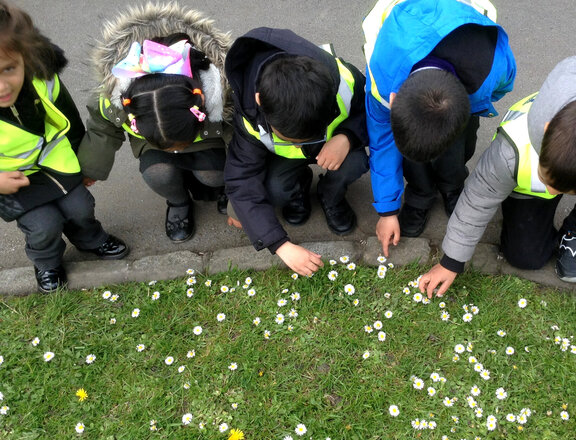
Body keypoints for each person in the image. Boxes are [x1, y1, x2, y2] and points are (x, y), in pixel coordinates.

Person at [419, 54, 576, 297]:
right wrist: (451, 261)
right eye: (548, 181)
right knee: (525, 257)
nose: (549, 193)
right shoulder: (511, 150)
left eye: (564, 191)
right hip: (522, 182)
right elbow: (477, 199)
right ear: (546, 132)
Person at [363, 0, 516, 257]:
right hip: (403, 31)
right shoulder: (380, 82)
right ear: (392, 100)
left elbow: (503, 85)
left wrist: (475, 104)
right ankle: (420, 193)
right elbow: (382, 143)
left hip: (466, 47)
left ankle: (452, 186)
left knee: (455, 151)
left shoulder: (493, 65)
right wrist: (387, 210)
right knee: (417, 148)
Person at [0, 0, 128, 293]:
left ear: (26, 56)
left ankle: (90, 239)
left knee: (81, 207)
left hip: (55, 161)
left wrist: (84, 160)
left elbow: (68, 119)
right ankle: (47, 262)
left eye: (9, 68)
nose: (3, 86)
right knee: (43, 225)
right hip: (12, 179)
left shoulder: (42, 80)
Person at [77, 3, 233, 242]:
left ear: (198, 105)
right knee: (157, 173)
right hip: (152, 136)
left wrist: (242, 191)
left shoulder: (220, 93)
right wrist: (90, 168)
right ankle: (178, 202)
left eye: (176, 147)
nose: (176, 152)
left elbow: (240, 137)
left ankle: (223, 190)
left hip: (202, 137)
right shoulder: (115, 97)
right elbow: (102, 130)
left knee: (213, 174)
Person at [224, 27, 369, 276]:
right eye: (289, 138)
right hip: (283, 162)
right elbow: (241, 177)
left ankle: (330, 195)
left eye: (305, 138)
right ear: (260, 101)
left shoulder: (344, 80)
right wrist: (279, 244)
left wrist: (347, 136)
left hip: (334, 147)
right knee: (273, 188)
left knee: (356, 161)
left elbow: (372, 112)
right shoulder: (247, 109)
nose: (297, 145)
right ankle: (297, 189)